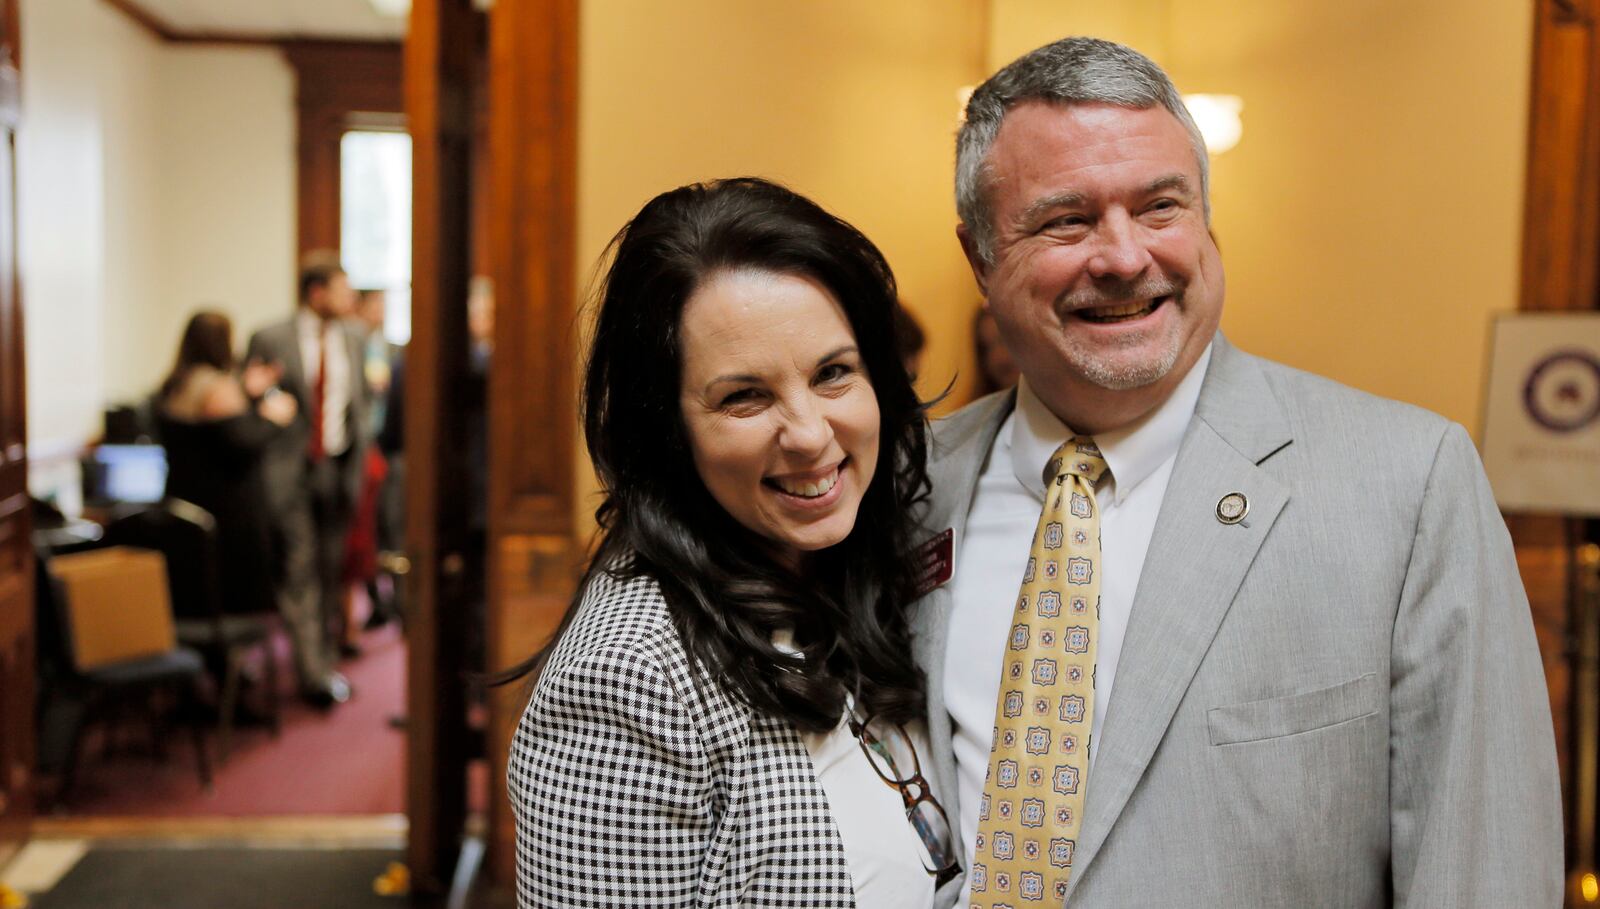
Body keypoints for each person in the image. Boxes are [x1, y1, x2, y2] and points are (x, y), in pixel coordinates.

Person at [912, 37, 1562, 908]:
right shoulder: (904, 493)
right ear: (980, 256)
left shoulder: (1407, 485)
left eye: (1160, 207)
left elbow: (1485, 874)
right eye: (1066, 218)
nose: (1124, 256)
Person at [506, 177, 957, 907]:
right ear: (668, 432)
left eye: (833, 373)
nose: (810, 434)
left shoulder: (854, 568)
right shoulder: (629, 678)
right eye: (745, 396)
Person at [246, 255, 370, 708]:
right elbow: (255, 397)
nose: (350, 298)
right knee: (300, 569)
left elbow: (358, 405)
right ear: (316, 293)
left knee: (329, 568)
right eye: (342, 289)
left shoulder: (355, 337)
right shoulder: (270, 336)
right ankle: (312, 673)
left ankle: (323, 660)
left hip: (339, 469)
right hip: (291, 470)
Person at [156, 311, 296, 618]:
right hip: (225, 509)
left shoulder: (172, 383)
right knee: (227, 597)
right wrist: (272, 419)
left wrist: (247, 392)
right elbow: (240, 442)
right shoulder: (216, 387)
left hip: (181, 497)